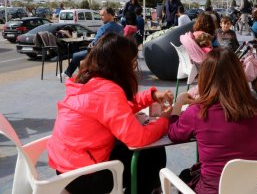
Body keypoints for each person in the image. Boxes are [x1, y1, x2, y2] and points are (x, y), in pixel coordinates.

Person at [48, 33, 174, 193]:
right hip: (85, 177)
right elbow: (138, 139)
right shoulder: (108, 91)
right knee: (152, 153)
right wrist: (164, 121)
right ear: (121, 64)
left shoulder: (86, 81)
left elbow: (116, 109)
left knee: (138, 149)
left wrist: (150, 96)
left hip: (65, 169)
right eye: (132, 62)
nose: (134, 68)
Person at [168, 48, 257, 193]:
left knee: (184, 177)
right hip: (256, 187)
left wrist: (178, 104)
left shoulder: (198, 112)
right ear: (239, 74)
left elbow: (174, 134)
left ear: (205, 77)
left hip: (214, 189)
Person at [59, 7, 123, 78]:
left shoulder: (104, 28)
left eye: (102, 15)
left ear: (110, 15)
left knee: (76, 55)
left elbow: (95, 43)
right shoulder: (120, 27)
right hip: (114, 53)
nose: (100, 17)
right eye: (100, 15)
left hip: (100, 53)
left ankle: (68, 73)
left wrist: (91, 43)